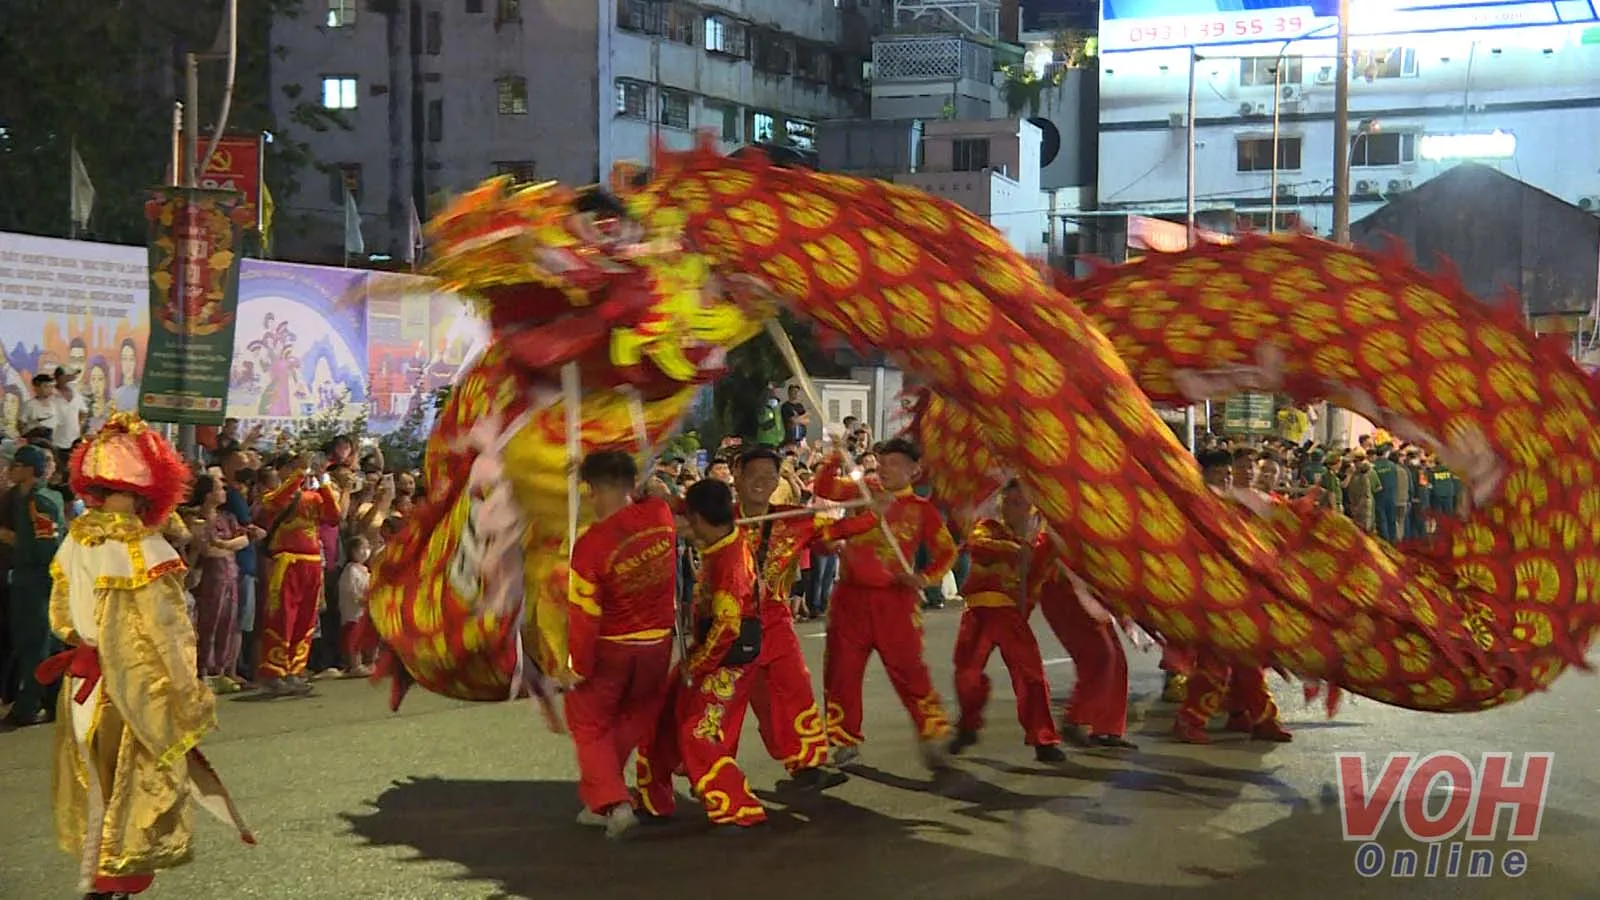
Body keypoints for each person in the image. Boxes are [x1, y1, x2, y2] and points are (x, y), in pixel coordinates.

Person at [33, 413, 252, 899]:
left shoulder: (75, 538)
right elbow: (166, 634)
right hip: (125, 689)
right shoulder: (142, 547)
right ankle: (111, 886)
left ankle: (96, 882)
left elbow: (61, 616)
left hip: (79, 685)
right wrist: (186, 695)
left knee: (92, 787)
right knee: (128, 793)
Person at [731, 447, 877, 786]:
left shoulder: (794, 518)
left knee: (795, 685)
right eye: (754, 475)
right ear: (737, 477)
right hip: (728, 625)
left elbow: (841, 530)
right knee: (732, 702)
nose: (762, 483)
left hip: (776, 619)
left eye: (770, 476)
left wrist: (874, 512)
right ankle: (709, 771)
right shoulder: (716, 517)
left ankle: (805, 762)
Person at [814, 437, 957, 770]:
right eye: (882, 461)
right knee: (842, 672)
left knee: (910, 671)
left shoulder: (922, 510)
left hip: (896, 602)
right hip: (850, 600)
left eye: (894, 463)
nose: (885, 468)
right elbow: (824, 487)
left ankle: (932, 732)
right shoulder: (862, 493)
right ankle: (844, 739)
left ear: (914, 470)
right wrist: (836, 456)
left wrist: (924, 578)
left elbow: (947, 551)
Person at [635, 478, 767, 831]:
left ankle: (738, 808)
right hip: (706, 648)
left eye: (688, 520)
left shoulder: (732, 563)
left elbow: (727, 627)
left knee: (701, 732)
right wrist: (659, 497)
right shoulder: (718, 535)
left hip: (729, 657)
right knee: (659, 718)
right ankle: (654, 798)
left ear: (699, 519)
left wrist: (696, 665)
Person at [564, 451, 678, 841]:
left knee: (589, 724)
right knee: (635, 715)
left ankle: (615, 802)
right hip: (658, 644)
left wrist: (576, 665)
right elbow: (654, 496)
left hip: (613, 648)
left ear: (592, 490)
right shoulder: (660, 515)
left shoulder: (591, 545)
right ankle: (600, 799)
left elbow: (584, 615)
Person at [1173, 448, 1292, 745]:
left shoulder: (1248, 504)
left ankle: (1251, 715)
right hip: (1213, 595)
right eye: (1237, 468)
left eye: (1252, 466)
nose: (1246, 472)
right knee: (1216, 663)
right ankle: (1191, 719)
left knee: (1247, 660)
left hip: (1246, 595)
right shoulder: (1200, 506)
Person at [948, 480, 1065, 762]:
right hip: (978, 613)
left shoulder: (1041, 541)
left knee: (1031, 677)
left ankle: (1043, 738)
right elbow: (979, 546)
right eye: (1008, 502)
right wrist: (1017, 548)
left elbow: (1055, 559)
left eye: (1020, 503)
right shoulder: (988, 528)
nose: (1013, 509)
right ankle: (968, 724)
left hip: (1011, 617)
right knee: (967, 675)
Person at [1031, 536, 1136, 750]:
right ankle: (1076, 719)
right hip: (1064, 591)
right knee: (1100, 655)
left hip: (1089, 588)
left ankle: (1106, 728)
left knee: (1116, 659)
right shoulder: (1053, 521)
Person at [253, 454, 344, 697]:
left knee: (305, 620)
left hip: (312, 564)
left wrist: (324, 481)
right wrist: (299, 474)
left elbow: (334, 516)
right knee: (283, 617)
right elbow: (275, 503)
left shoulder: (314, 496)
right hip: (288, 563)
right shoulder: (275, 495)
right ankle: (274, 672)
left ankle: (294, 669)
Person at [1, 444, 65, 728]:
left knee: (35, 644)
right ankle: (52, 701)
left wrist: (13, 540)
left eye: (16, 465)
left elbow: (47, 546)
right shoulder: (20, 499)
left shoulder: (41, 502)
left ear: (29, 470)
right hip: (25, 578)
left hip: (37, 580)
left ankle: (27, 707)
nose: (11, 470)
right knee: (40, 643)